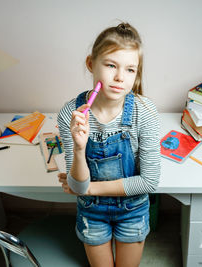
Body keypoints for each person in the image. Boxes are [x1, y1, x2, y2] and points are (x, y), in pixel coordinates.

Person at [57, 22, 160, 267]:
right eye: (111, 65)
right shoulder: (69, 113)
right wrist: (79, 148)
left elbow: (149, 182)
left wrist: (89, 188)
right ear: (91, 64)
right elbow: (77, 185)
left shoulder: (144, 113)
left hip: (133, 209)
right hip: (92, 212)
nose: (119, 78)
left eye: (130, 70)